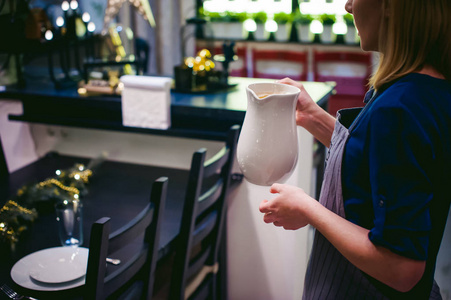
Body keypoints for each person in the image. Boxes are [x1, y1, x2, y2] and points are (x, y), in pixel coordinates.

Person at [259, 0, 451, 299]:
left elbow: (402, 268)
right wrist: (313, 118)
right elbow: (375, 161)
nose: (348, 6)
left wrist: (308, 209)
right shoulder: (425, 89)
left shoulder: (399, 109)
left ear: (390, 6)